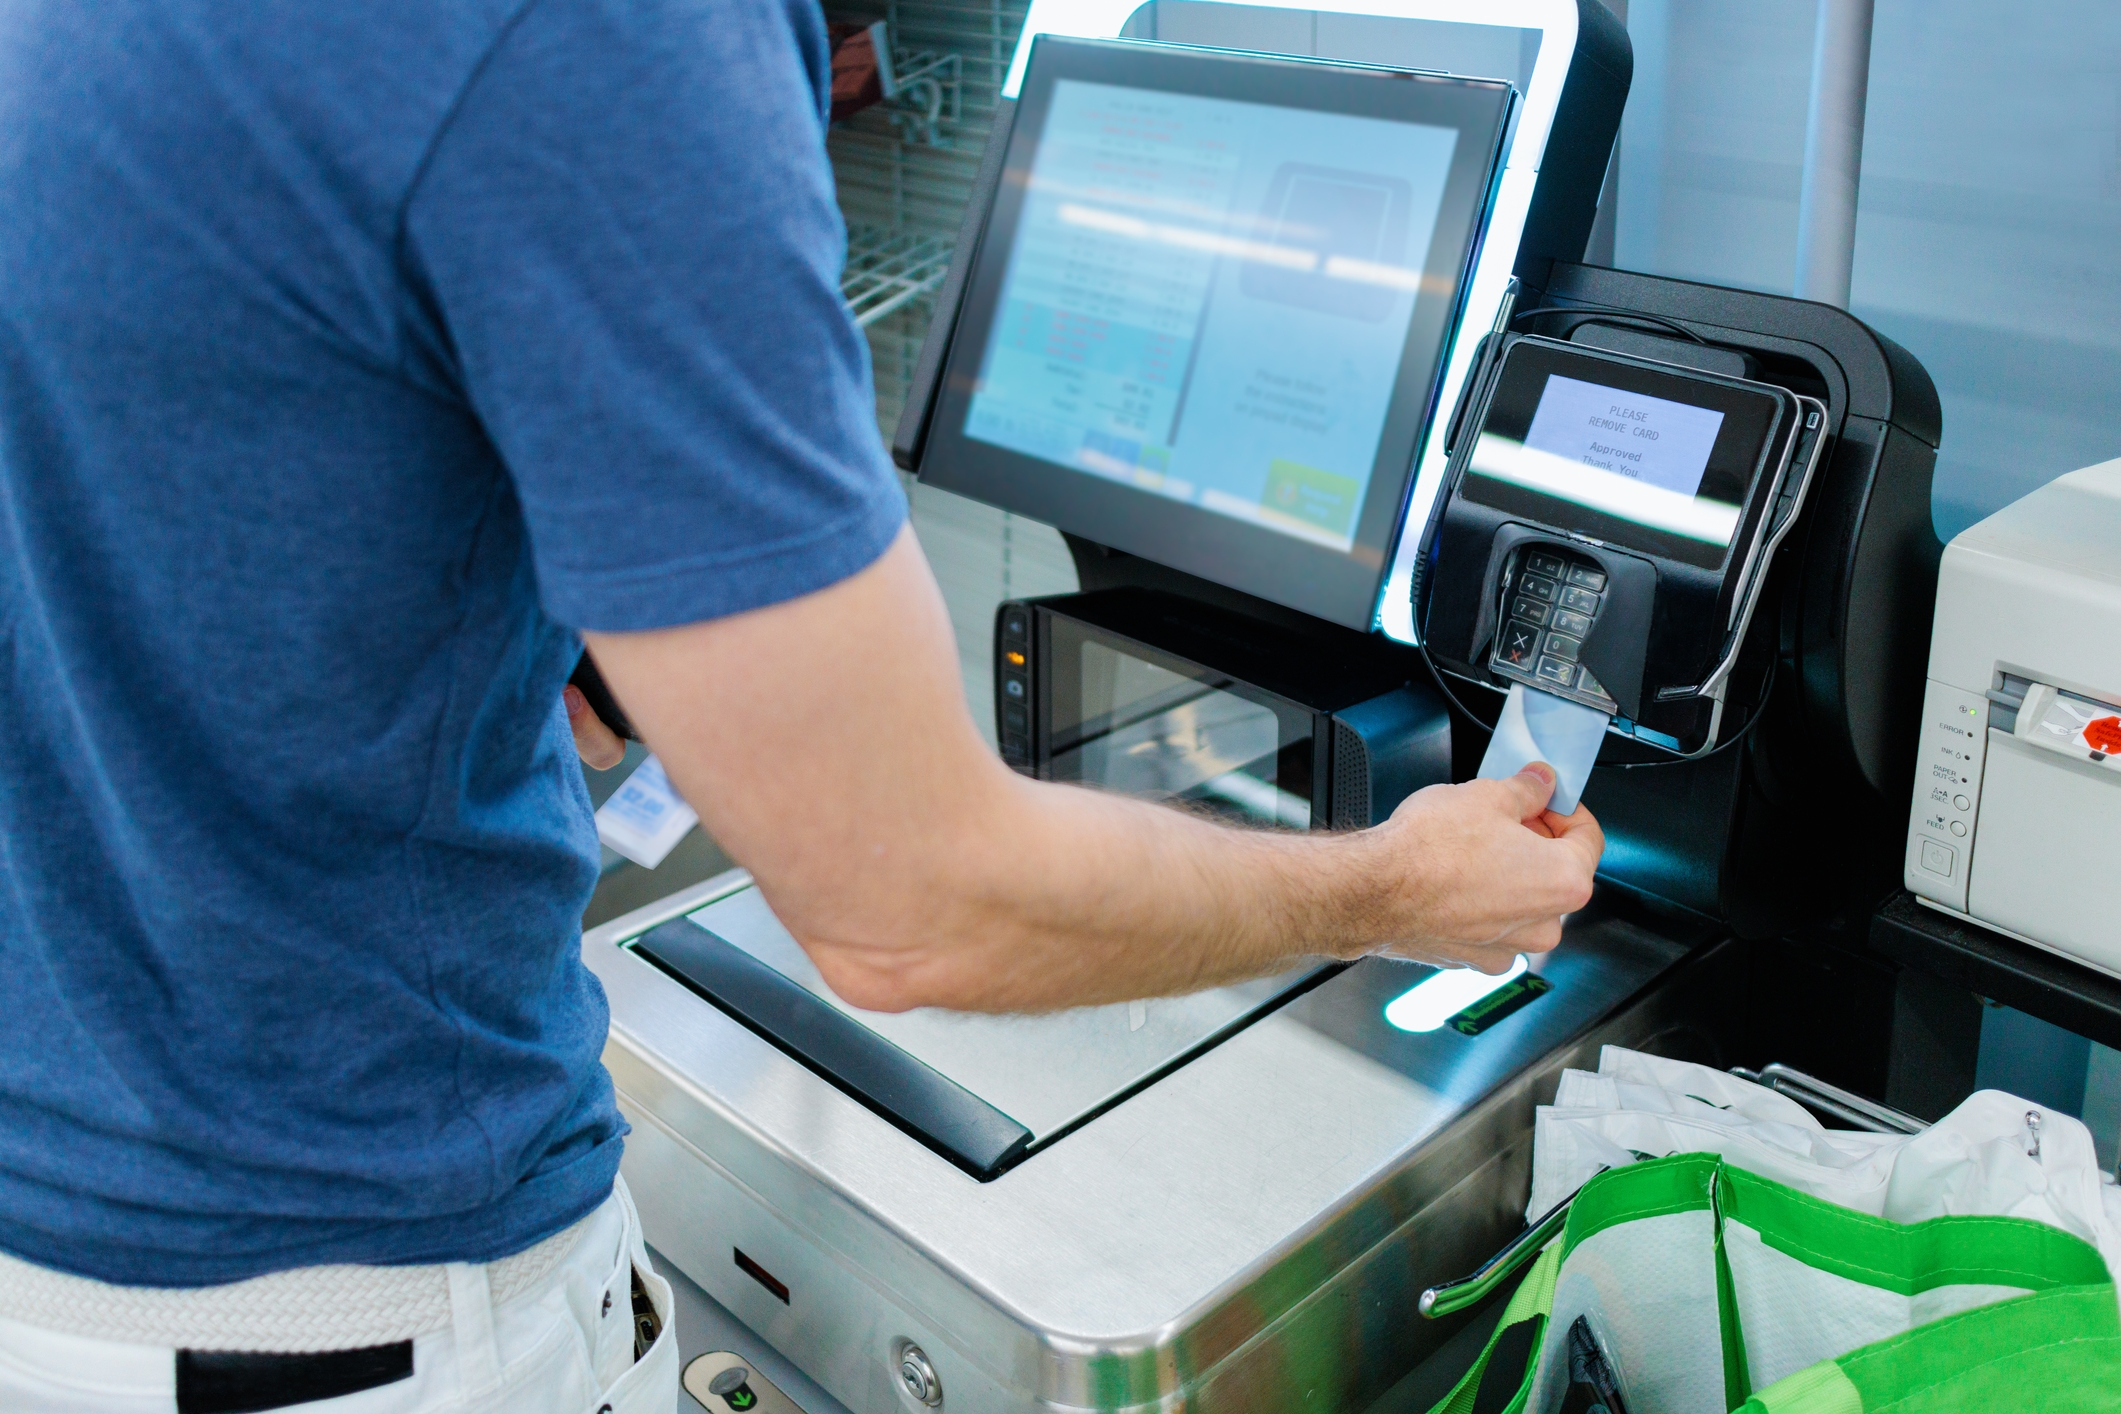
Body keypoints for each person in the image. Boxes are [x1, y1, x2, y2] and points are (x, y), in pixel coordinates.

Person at [0, 1, 1601, 1410]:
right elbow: (910, 912)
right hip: (348, 1293)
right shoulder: (598, 35)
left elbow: (195, 496)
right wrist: (1406, 886)